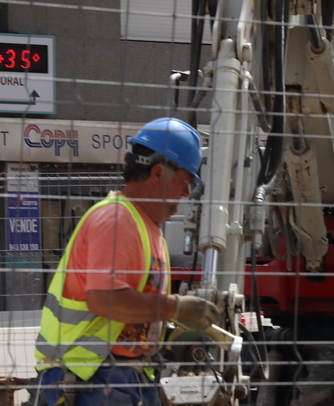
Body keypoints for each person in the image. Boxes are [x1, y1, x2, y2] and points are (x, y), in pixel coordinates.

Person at [33, 117, 220, 406]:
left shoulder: (145, 226)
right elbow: (104, 299)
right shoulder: (117, 220)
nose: (186, 193)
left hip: (121, 375)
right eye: (185, 182)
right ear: (158, 173)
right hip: (89, 378)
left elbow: (127, 313)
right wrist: (177, 306)